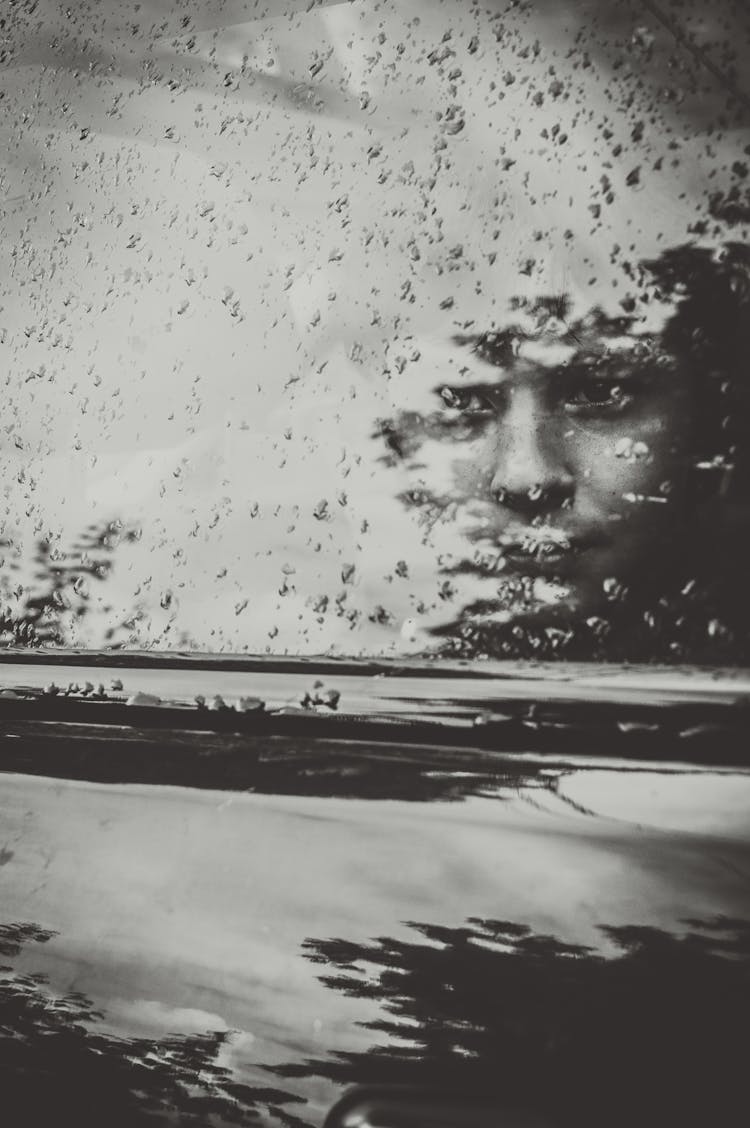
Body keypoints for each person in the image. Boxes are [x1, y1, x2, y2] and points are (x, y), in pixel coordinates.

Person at [376, 241, 750, 662]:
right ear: (392, 435)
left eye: (598, 391)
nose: (526, 478)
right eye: (460, 400)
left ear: (711, 416)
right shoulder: (319, 653)